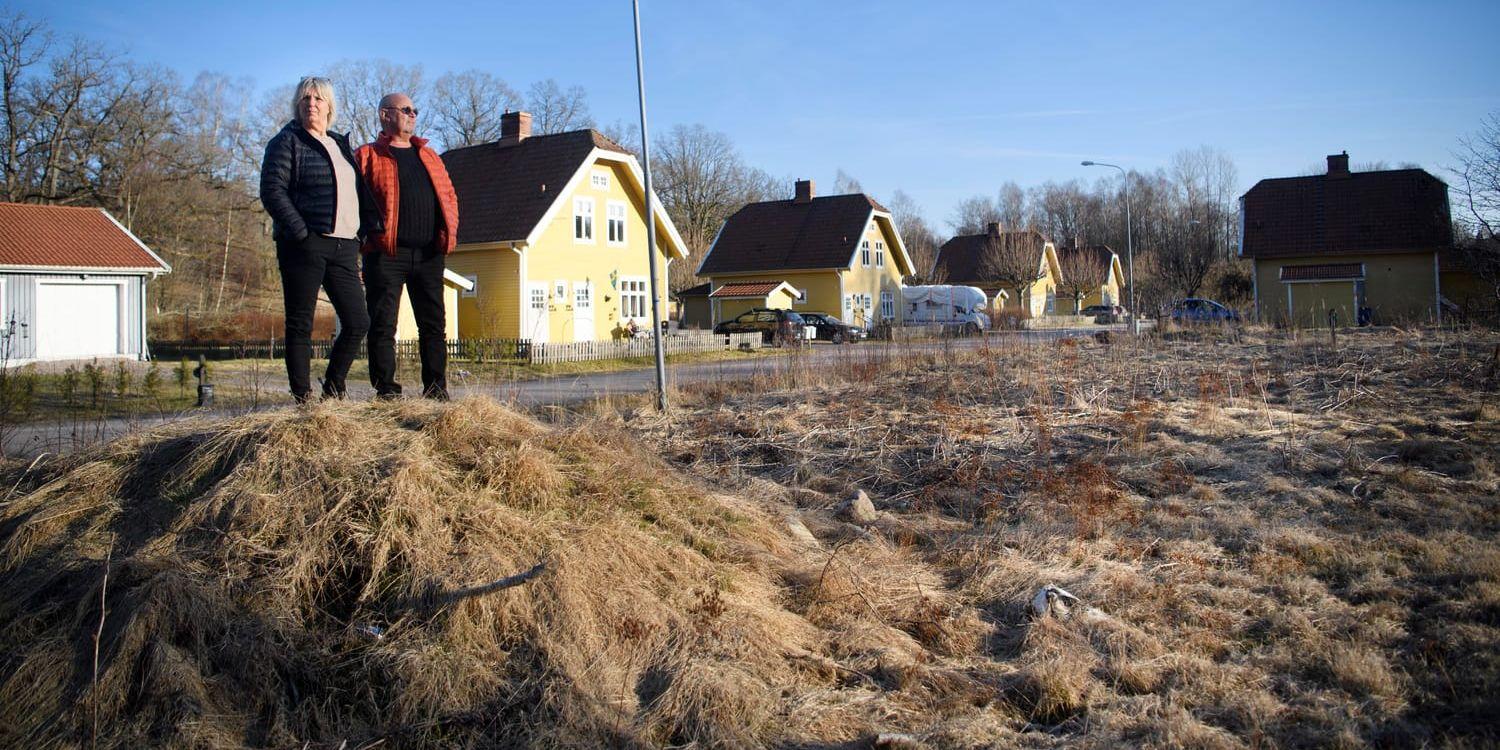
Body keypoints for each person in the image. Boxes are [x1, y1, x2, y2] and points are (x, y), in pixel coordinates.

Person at [259, 76, 379, 402]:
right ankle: (303, 398)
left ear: (329, 106)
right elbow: (272, 192)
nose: (311, 104)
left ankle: (333, 387)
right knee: (300, 322)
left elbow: (355, 192)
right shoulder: (287, 142)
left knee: (358, 321)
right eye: (305, 99)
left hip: (345, 245)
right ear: (298, 106)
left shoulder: (340, 145)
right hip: (304, 245)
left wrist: (364, 230)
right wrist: (301, 233)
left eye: (318, 99)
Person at [354, 93, 460, 400]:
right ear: (385, 115)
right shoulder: (367, 156)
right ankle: (387, 391)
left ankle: (436, 391)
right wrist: (365, 239)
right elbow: (355, 202)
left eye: (415, 110)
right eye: (406, 110)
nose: (413, 115)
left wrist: (448, 232)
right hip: (386, 254)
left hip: (429, 254)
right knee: (383, 325)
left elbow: (450, 196)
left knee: (433, 327)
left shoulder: (430, 156)